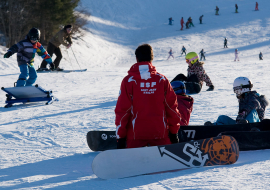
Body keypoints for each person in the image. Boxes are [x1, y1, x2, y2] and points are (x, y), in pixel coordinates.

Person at [115, 44, 181, 149]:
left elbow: (122, 111)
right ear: (152, 58)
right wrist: (174, 133)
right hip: (160, 135)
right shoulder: (162, 80)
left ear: (136, 58)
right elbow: (172, 108)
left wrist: (121, 137)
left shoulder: (128, 81)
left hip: (135, 137)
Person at [204, 77, 268, 125]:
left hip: (255, 125)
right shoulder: (243, 98)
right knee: (222, 118)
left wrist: (244, 112)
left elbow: (255, 104)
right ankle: (213, 128)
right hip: (241, 125)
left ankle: (249, 128)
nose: (236, 93)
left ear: (243, 89)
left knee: (252, 112)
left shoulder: (253, 97)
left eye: (236, 90)